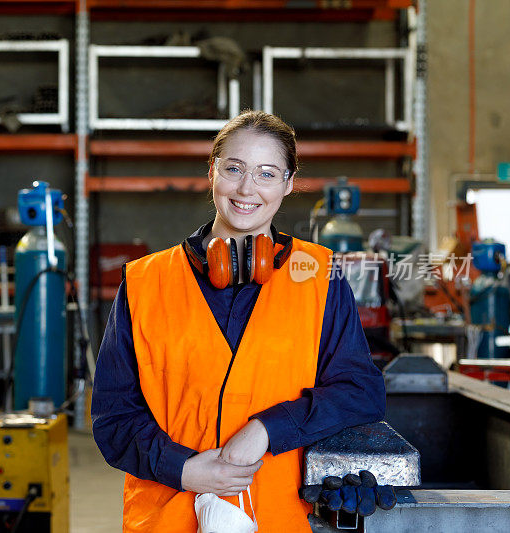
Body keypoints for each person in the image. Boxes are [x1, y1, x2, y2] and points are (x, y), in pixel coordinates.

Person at [91, 110, 386, 532]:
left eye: (267, 174)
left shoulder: (319, 274)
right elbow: (113, 416)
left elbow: (360, 390)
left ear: (288, 184)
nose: (247, 188)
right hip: (169, 517)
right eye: (234, 169)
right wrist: (184, 469)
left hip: (281, 517)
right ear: (211, 172)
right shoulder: (145, 282)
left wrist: (268, 428)